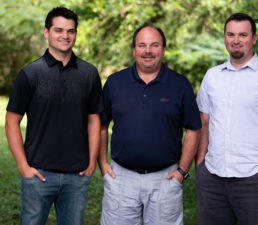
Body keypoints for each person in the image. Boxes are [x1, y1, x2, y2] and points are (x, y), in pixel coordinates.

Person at [195, 13, 258, 225]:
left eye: (243, 35)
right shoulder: (212, 76)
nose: (236, 40)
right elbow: (204, 122)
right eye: (230, 34)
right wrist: (200, 164)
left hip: (254, 179)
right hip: (212, 178)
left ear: (254, 39)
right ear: (224, 38)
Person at [5, 7, 103, 225]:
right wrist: (23, 166)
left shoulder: (89, 74)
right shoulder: (30, 74)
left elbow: (94, 120)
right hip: (38, 173)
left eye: (71, 31)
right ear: (46, 32)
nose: (65, 36)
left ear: (76, 34)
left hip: (77, 176)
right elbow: (12, 121)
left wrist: (91, 164)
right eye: (58, 30)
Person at [99, 24, 202, 225]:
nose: (147, 51)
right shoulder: (114, 82)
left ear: (163, 49)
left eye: (154, 45)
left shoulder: (180, 85)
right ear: (134, 49)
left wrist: (182, 170)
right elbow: (101, 125)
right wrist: (102, 163)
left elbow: (193, 129)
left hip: (165, 180)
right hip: (121, 179)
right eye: (142, 45)